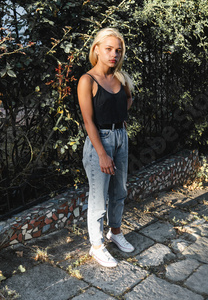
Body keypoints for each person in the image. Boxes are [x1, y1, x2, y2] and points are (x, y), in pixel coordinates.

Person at [77, 27, 135, 267]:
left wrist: (118, 127)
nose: (114, 54)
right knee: (99, 197)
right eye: (109, 49)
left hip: (121, 135)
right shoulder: (87, 80)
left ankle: (115, 232)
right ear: (96, 49)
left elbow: (126, 103)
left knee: (119, 191)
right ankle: (97, 246)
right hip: (100, 139)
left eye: (118, 50)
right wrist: (102, 153)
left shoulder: (120, 78)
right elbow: (88, 121)